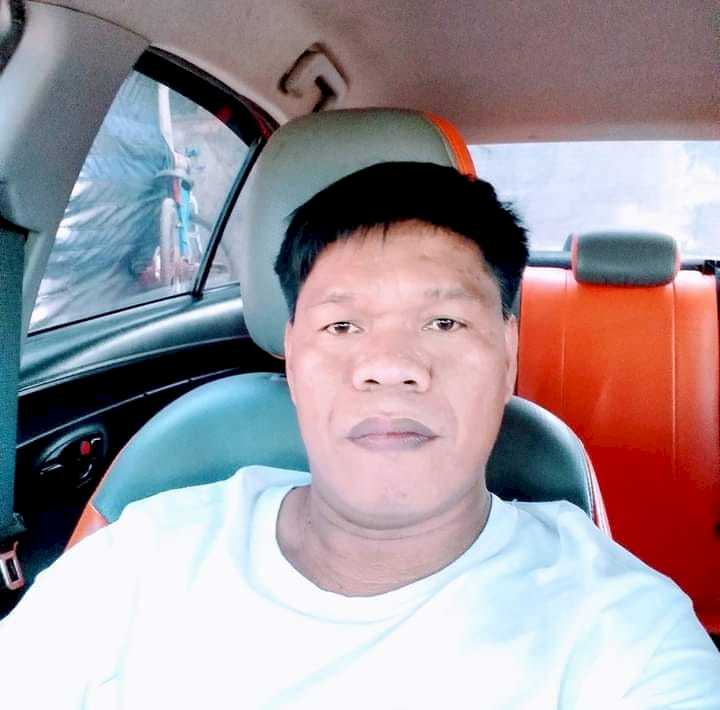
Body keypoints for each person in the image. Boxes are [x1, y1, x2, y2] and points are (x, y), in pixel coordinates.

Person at [2, 162, 719, 708]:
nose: (390, 365)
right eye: (343, 325)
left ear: (509, 353)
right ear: (292, 354)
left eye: (444, 322)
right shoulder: (138, 560)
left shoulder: (624, 632)